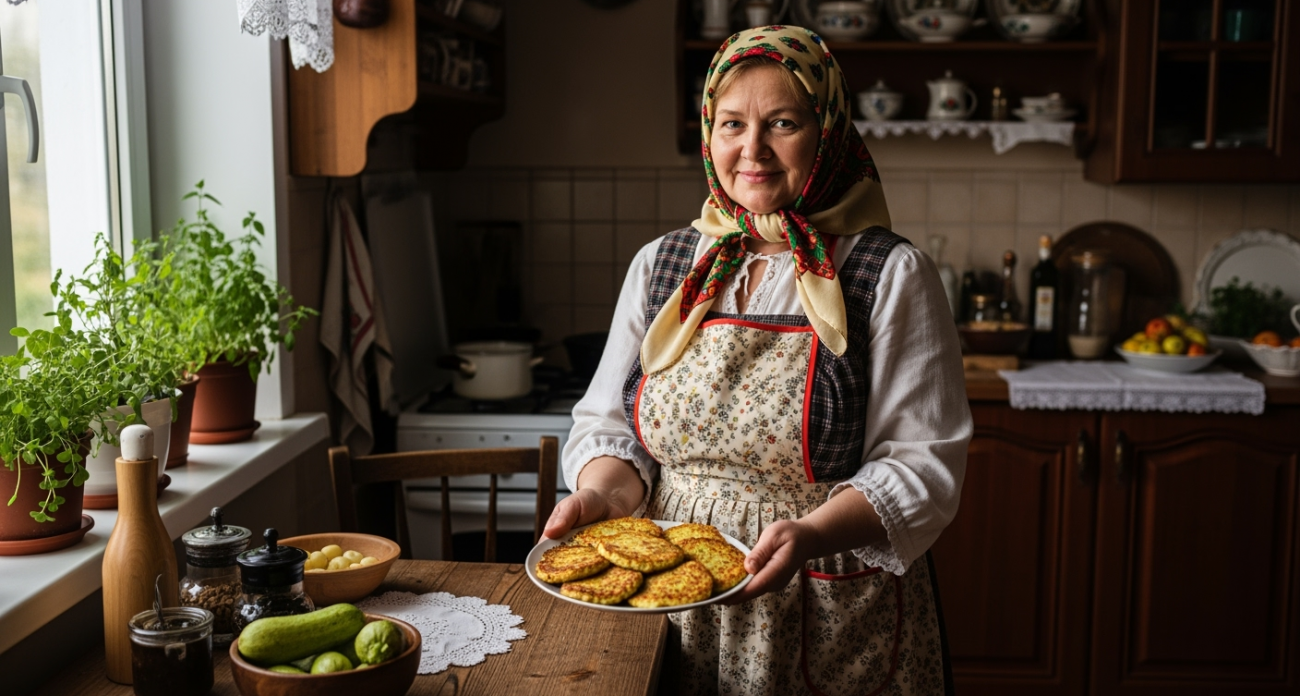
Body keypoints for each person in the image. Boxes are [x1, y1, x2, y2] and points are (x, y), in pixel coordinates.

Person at [544, 25, 971, 695]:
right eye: (733, 124)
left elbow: (923, 465)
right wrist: (602, 496)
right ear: (709, 133)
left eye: (783, 123)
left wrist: (810, 534)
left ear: (828, 131)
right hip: (672, 600)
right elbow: (611, 426)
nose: (753, 149)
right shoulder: (663, 266)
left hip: (823, 601)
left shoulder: (888, 273)